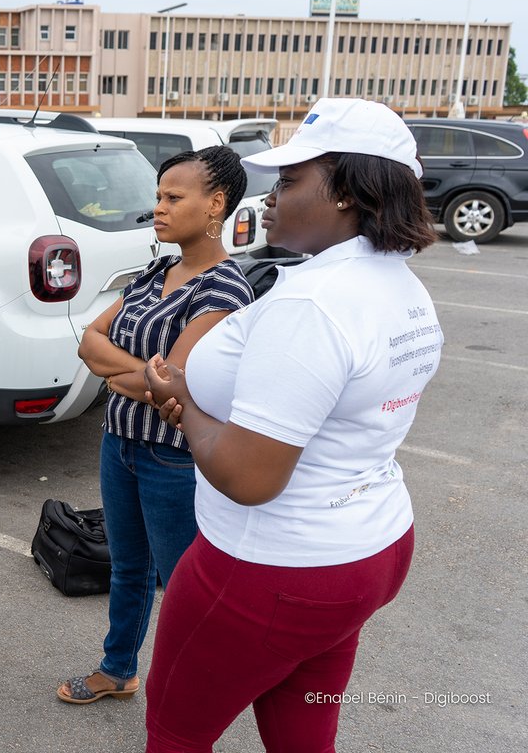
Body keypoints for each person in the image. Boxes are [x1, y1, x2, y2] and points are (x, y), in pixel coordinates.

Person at [141, 98, 443, 752]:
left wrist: (188, 407)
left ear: (347, 192)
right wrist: (206, 408)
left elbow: (251, 479)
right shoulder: (397, 284)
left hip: (271, 569)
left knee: (175, 733)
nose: (270, 198)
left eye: (289, 181)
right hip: (367, 549)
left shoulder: (315, 304)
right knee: (304, 733)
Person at [57, 147, 254, 705]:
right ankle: (118, 669)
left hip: (173, 458)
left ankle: (193, 691)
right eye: (158, 197)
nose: (159, 209)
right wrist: (145, 377)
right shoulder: (156, 270)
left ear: (215, 204)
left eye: (173, 197)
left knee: (185, 587)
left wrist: (133, 375)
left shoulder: (226, 290)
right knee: (127, 569)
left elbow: (173, 387)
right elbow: (89, 344)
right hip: (119, 442)